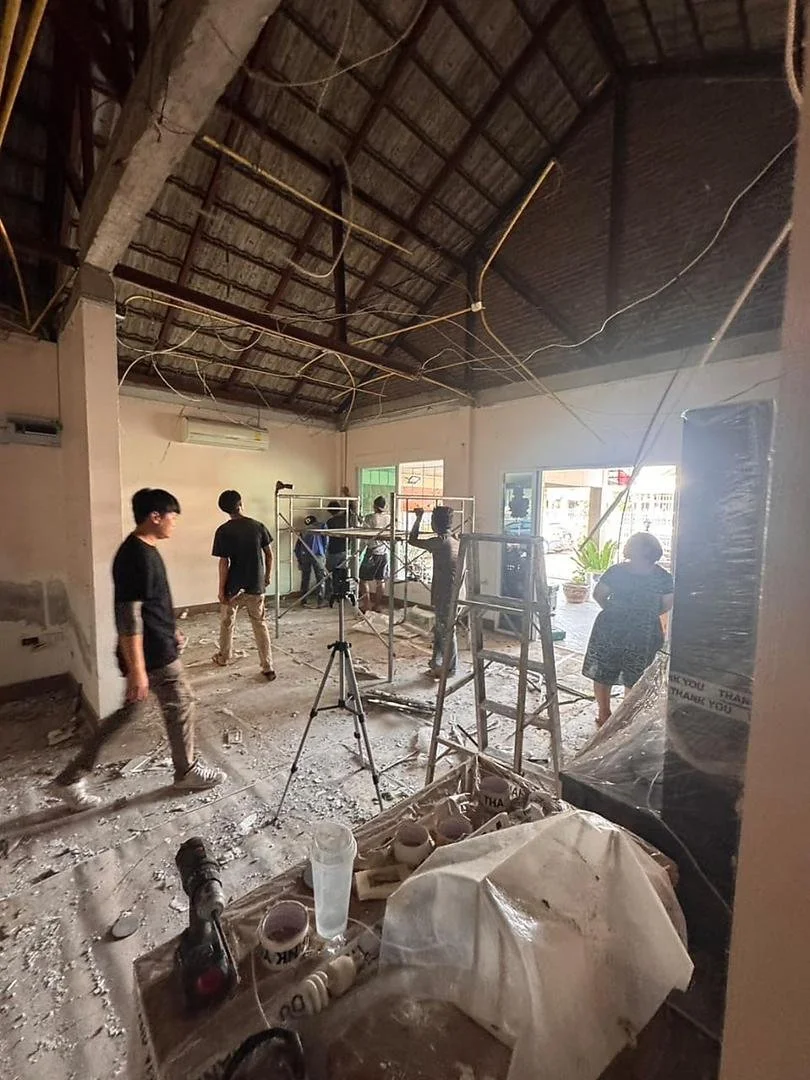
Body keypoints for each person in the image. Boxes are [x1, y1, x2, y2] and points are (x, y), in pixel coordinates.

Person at [49, 489, 225, 811]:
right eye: (172, 517)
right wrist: (138, 670)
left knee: (131, 712)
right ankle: (185, 771)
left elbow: (151, 606)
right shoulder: (136, 556)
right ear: (154, 516)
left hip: (157, 646)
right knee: (181, 703)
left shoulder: (146, 550)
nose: (174, 523)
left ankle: (69, 778)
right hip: (153, 655)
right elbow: (128, 617)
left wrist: (172, 631)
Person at [582, 531, 674, 727]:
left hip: (631, 630)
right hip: (624, 629)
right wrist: (637, 613)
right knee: (616, 672)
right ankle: (612, 715)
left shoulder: (659, 577)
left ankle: (616, 716)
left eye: (635, 545)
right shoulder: (622, 572)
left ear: (647, 551)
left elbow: (599, 595)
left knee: (623, 673)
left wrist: (619, 611)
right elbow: (665, 605)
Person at [211, 490, 276, 680]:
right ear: (241, 504)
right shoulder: (258, 526)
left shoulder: (223, 531)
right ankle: (267, 666)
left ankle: (224, 657)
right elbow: (269, 554)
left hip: (233, 587)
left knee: (227, 622)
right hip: (255, 585)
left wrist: (221, 590)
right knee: (260, 624)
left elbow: (224, 563)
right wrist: (266, 576)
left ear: (224, 509)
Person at [409, 505, 460, 678]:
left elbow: (412, 540)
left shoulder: (440, 542)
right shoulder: (455, 540)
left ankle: (450, 669)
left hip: (446, 592)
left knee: (446, 631)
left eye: (431, 520)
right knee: (440, 629)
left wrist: (418, 517)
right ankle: (437, 663)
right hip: (454, 591)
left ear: (435, 523)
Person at [359, 496, 390, 613]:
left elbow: (364, 536)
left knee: (363, 580)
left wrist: (360, 551)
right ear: (385, 506)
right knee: (380, 580)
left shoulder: (370, 518)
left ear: (374, 506)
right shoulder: (389, 518)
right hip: (384, 552)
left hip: (372, 552)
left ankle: (367, 605)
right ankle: (377, 605)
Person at [295, 515, 327, 607]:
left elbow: (297, 547)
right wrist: (323, 553)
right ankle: (320, 601)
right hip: (318, 554)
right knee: (320, 578)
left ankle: (303, 600)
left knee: (305, 578)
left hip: (305, 555)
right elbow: (326, 541)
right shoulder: (321, 527)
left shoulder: (304, 531)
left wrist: (299, 559)